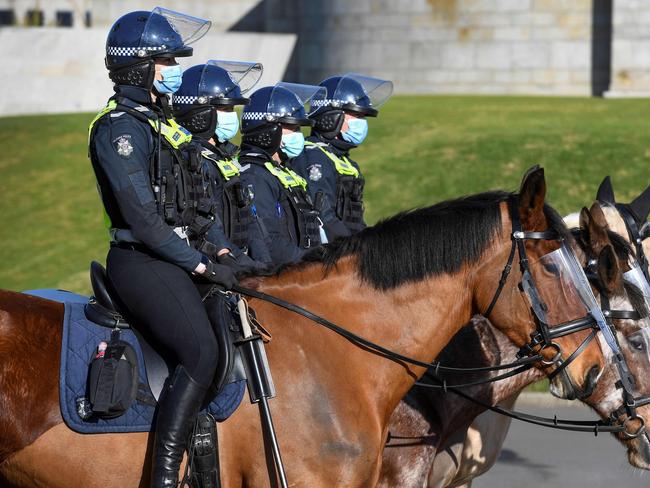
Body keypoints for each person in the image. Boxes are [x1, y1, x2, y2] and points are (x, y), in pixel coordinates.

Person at [88, 8, 235, 487]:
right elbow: (145, 221)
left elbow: (194, 210)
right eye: (166, 60)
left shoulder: (163, 126)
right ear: (138, 66)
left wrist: (221, 256)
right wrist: (197, 264)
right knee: (200, 352)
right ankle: (164, 478)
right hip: (142, 260)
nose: (174, 69)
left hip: (177, 258)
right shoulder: (119, 128)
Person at [173, 60, 266, 273]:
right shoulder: (193, 161)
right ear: (201, 115)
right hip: (213, 269)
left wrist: (265, 266)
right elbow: (209, 227)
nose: (232, 116)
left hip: (239, 263)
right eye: (225, 108)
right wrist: (248, 267)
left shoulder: (226, 159)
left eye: (232, 108)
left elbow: (251, 222)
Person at [292, 73, 393, 241]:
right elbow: (323, 219)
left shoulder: (345, 162)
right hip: (328, 255)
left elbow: (355, 221)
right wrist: (357, 248)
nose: (362, 123)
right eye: (356, 115)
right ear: (331, 118)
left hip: (347, 250)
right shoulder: (314, 158)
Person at [237, 83, 327, 265]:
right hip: (286, 277)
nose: (298, 135)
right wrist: (313, 265)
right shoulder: (256, 176)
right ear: (267, 131)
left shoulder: (281, 171)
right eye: (292, 128)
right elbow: (271, 243)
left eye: (298, 130)